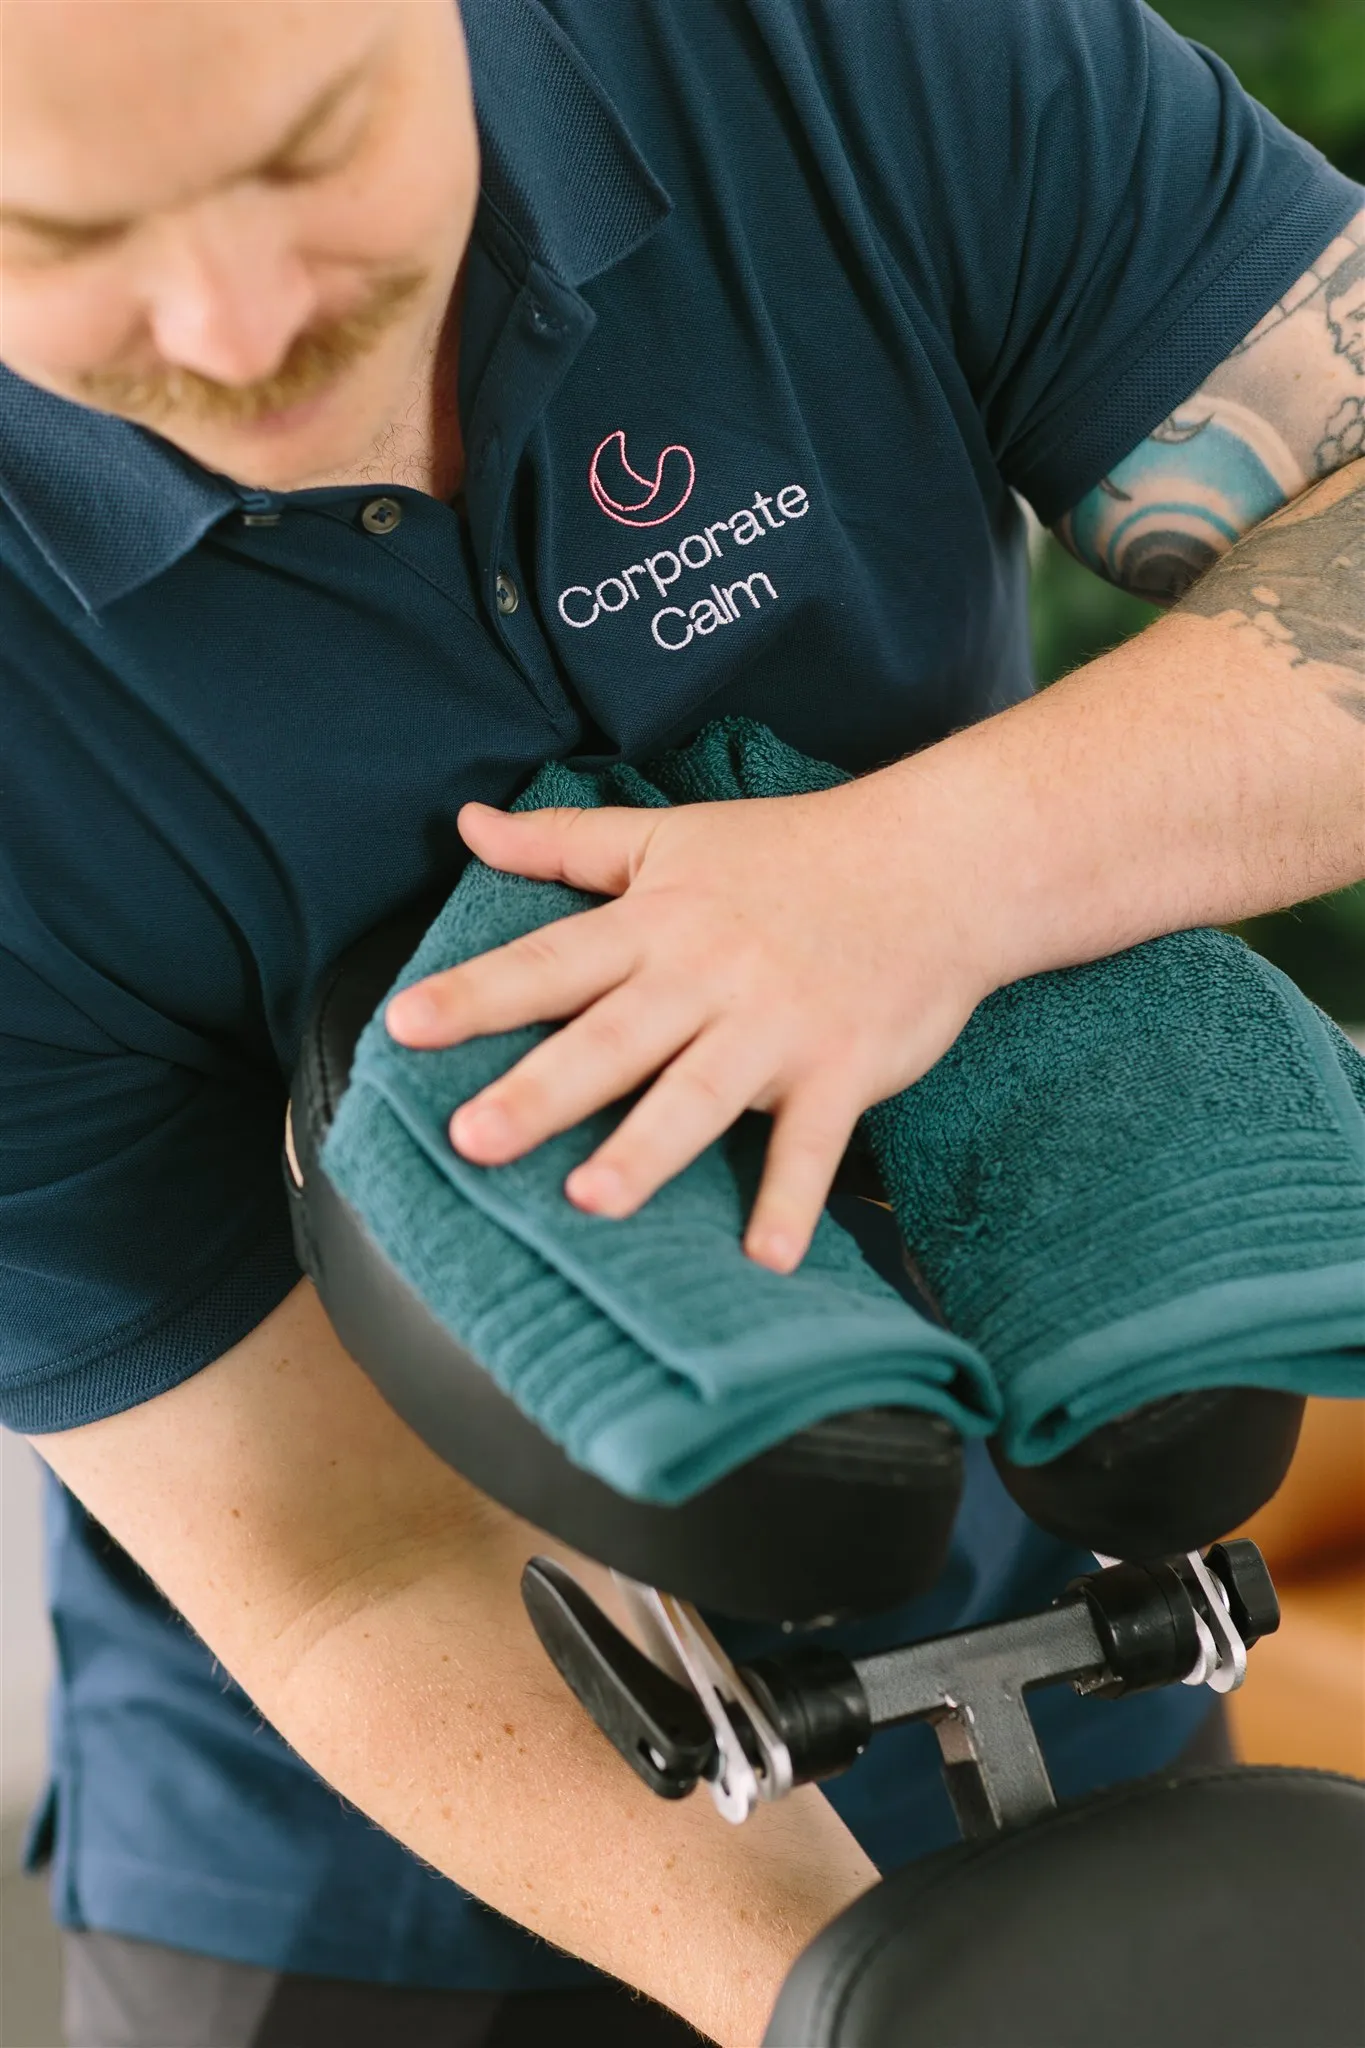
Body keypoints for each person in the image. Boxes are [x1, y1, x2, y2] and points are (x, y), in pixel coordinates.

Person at [2, 2, 1362, 2043]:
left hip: (1087, 1669)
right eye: (53, 232)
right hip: (374, 1879)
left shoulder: (834, 45)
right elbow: (337, 1552)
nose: (230, 318)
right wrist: (865, 2007)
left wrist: (932, 873)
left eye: (311, 149)